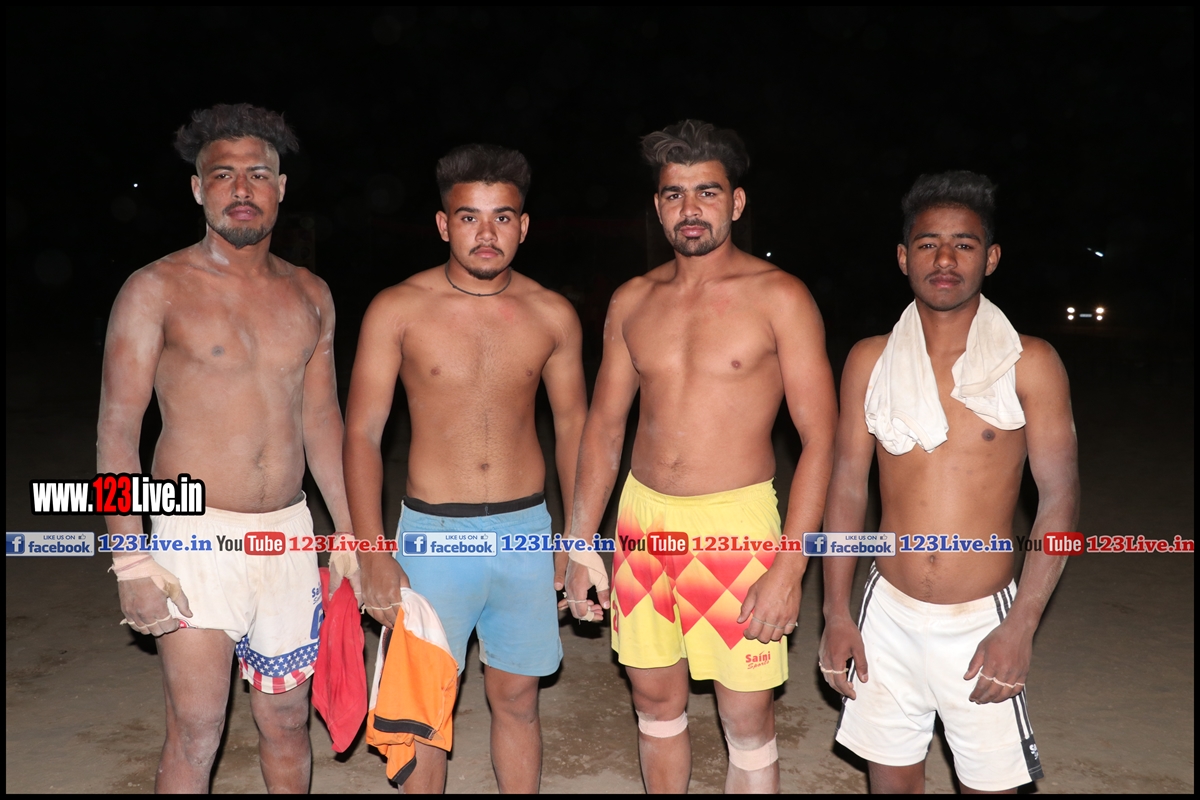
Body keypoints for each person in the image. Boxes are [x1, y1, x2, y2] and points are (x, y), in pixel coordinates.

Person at [564, 120, 838, 793]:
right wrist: (579, 544)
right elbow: (604, 428)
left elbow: (821, 438)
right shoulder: (633, 300)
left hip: (736, 525)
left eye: (707, 192)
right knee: (654, 704)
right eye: (674, 194)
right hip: (642, 521)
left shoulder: (780, 296)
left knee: (746, 717)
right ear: (657, 207)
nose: (690, 209)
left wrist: (790, 566)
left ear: (736, 203)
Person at [98, 103, 353, 793]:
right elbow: (117, 429)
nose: (242, 189)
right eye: (223, 175)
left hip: (289, 535)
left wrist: (351, 535)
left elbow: (323, 423)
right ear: (197, 188)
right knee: (198, 728)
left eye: (258, 175)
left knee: (289, 722)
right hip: (193, 538)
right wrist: (130, 559)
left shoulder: (311, 293)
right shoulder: (155, 289)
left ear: (281, 188)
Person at [819, 171, 1079, 793]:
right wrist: (835, 613)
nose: (944, 259)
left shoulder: (1029, 363)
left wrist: (1021, 626)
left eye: (964, 244)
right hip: (886, 611)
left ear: (990, 258)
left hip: (983, 619)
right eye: (928, 243)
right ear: (903, 257)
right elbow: (848, 487)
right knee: (891, 783)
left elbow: (1060, 498)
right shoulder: (870, 360)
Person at [345, 143, 588, 793]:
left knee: (518, 700)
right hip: (433, 536)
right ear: (442, 224)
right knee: (425, 711)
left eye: (502, 217)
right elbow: (362, 433)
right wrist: (372, 550)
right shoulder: (397, 308)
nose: (486, 233)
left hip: (525, 532)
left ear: (523, 226)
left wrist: (577, 538)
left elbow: (574, 427)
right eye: (469, 217)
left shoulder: (552, 314)